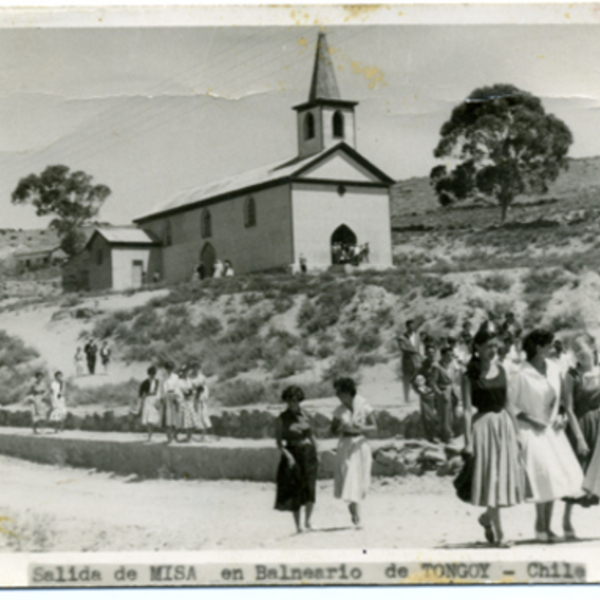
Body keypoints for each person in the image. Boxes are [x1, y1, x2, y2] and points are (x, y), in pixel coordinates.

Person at [510, 328, 585, 542]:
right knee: (543, 477)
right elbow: (510, 405)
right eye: (548, 345)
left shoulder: (554, 368)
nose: (552, 349)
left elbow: (561, 398)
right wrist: (531, 420)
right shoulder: (520, 373)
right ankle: (540, 524)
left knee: (553, 478)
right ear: (538, 347)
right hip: (529, 429)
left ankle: (547, 526)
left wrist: (561, 414)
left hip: (552, 429)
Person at [461, 322, 525, 547]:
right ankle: (500, 535)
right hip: (484, 429)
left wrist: (517, 433)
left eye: (495, 346)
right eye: (488, 346)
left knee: (500, 479)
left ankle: (487, 518)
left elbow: (508, 402)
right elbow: (467, 411)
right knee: (492, 479)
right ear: (477, 347)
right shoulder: (469, 375)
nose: (493, 350)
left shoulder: (502, 369)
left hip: (504, 427)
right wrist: (468, 442)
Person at [563, 334, 600, 537]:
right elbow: (568, 408)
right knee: (578, 471)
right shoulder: (571, 375)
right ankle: (566, 519)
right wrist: (578, 437)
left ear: (593, 348)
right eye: (574, 349)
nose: (578, 353)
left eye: (581, 348)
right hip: (581, 424)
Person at [331, 377, 377, 528]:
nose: (337, 395)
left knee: (357, 478)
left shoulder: (364, 406)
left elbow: (374, 427)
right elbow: (332, 429)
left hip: (360, 445)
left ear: (348, 392)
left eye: (340, 392)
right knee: (348, 476)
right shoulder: (339, 411)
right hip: (345, 445)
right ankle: (355, 511)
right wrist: (341, 428)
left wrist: (359, 428)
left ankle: (356, 512)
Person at [274, 385, 318, 533]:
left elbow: (312, 436)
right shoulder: (282, 419)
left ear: (299, 400)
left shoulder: (306, 415)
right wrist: (289, 457)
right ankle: (298, 526)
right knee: (295, 491)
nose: (292, 403)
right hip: (292, 454)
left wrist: (318, 453)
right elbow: (279, 443)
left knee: (310, 488)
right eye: (289, 400)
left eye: (295, 400)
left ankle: (308, 522)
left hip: (308, 454)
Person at [413, 343, 439, 442]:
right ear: (426, 354)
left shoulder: (438, 364)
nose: (431, 354)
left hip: (438, 392)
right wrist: (420, 389)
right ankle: (431, 437)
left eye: (433, 352)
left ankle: (441, 435)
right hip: (427, 394)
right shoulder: (423, 366)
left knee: (440, 415)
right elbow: (414, 380)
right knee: (428, 416)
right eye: (429, 353)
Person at [430, 346, 455, 444]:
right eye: (448, 356)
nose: (450, 358)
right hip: (442, 393)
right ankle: (446, 436)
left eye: (452, 355)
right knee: (443, 415)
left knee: (451, 415)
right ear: (443, 355)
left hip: (451, 392)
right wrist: (439, 393)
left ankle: (446, 434)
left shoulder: (451, 365)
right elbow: (432, 382)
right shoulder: (436, 366)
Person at [397, 320, 422, 404]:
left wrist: (420, 356)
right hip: (407, 362)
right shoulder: (402, 337)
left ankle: (421, 396)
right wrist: (414, 351)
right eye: (410, 326)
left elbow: (420, 348)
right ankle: (406, 399)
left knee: (419, 379)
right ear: (407, 327)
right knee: (406, 380)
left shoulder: (417, 337)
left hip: (417, 361)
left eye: (413, 326)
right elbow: (402, 348)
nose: (412, 328)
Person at [189, 361, 212, 441]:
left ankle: (204, 435)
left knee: (203, 416)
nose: (195, 370)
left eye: (197, 368)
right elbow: (189, 387)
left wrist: (204, 397)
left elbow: (205, 388)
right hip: (193, 398)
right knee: (192, 416)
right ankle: (190, 436)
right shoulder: (190, 377)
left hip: (201, 399)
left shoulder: (202, 377)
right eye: (194, 368)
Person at [161, 361, 182, 444]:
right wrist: (162, 398)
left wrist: (177, 398)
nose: (169, 370)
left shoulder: (176, 377)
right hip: (166, 398)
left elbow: (177, 387)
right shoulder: (163, 378)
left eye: (170, 368)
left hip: (174, 398)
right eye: (167, 369)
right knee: (167, 420)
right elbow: (162, 389)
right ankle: (169, 438)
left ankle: (173, 437)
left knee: (174, 419)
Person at [139, 366, 161, 442]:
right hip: (148, 400)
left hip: (155, 400)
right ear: (148, 374)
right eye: (151, 374)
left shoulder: (158, 382)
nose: (152, 375)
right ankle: (149, 436)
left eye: (154, 373)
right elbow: (141, 393)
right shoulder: (145, 382)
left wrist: (158, 401)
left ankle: (151, 434)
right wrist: (143, 400)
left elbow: (159, 392)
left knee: (153, 419)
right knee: (148, 419)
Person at [177, 365, 196, 443]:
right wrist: (184, 393)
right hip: (183, 401)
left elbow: (194, 391)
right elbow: (178, 391)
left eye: (187, 371)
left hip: (190, 401)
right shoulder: (179, 381)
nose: (186, 373)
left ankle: (189, 437)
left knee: (190, 419)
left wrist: (191, 393)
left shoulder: (191, 381)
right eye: (184, 371)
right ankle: (176, 436)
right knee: (183, 419)